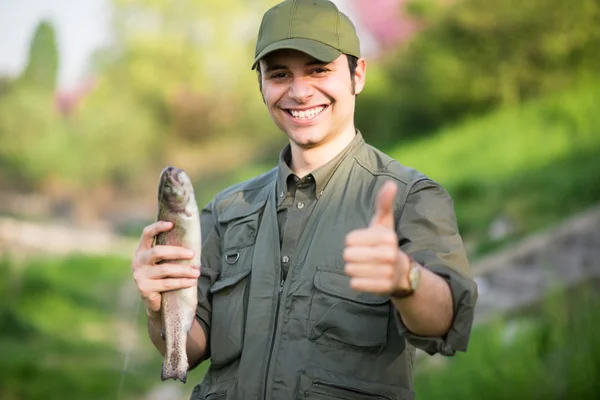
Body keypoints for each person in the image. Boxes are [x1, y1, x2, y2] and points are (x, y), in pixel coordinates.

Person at [131, 0, 478, 398]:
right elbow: (188, 350)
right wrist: (157, 304)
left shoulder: (411, 198)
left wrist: (406, 279)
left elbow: (447, 322)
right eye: (279, 74)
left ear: (357, 75)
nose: (299, 91)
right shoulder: (226, 211)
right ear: (261, 85)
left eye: (319, 70)